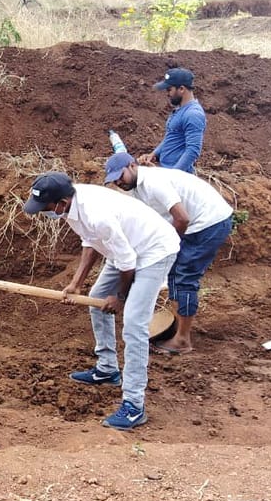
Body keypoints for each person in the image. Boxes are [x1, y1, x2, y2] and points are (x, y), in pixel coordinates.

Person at [24, 172, 178, 430]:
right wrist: (76, 283)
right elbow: (91, 242)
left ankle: (133, 406)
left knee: (134, 325)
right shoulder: (73, 206)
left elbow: (127, 262)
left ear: (62, 201)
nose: (43, 212)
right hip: (126, 248)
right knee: (95, 299)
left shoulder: (97, 214)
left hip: (154, 251)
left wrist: (119, 297)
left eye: (46, 208)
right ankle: (107, 369)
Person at [104, 152, 234, 354]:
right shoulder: (135, 189)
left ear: (131, 165)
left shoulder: (154, 182)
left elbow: (182, 218)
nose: (118, 183)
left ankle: (182, 340)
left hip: (209, 222)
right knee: (174, 272)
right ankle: (177, 327)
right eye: (113, 181)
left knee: (184, 276)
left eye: (120, 176)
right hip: (197, 222)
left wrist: (169, 247)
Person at [137, 68, 205, 174]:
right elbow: (171, 137)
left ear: (181, 89)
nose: (167, 93)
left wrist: (173, 176)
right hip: (166, 171)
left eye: (169, 89)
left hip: (178, 179)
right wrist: (153, 154)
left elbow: (193, 150)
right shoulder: (180, 110)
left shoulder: (193, 114)